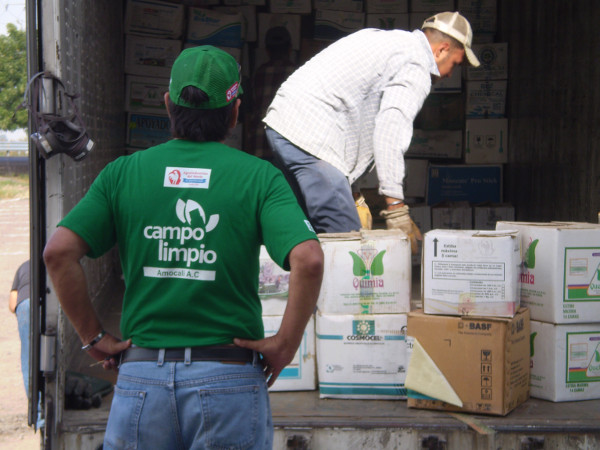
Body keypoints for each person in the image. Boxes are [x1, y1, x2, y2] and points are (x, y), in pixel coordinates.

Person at [43, 45, 324, 449]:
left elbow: (58, 253)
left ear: (168, 105)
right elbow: (309, 259)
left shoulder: (123, 174)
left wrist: (92, 337)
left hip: (141, 379)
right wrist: (285, 343)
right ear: (235, 112)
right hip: (229, 379)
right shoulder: (259, 178)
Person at [263, 11, 481, 250]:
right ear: (442, 49)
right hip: (311, 138)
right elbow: (390, 130)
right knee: (346, 244)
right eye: (455, 64)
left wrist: (353, 192)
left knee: (300, 237)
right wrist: (396, 207)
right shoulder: (416, 64)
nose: (450, 74)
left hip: (284, 125)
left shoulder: (388, 42)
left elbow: (354, 114)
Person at [250, 26, 297, 161]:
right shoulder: (298, 73)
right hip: (287, 144)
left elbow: (253, 107)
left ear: (267, 51)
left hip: (260, 142)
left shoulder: (260, 72)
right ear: (290, 49)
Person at [9, 259, 44, 429]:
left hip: (25, 305)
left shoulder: (22, 266)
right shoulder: (58, 257)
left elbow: (12, 303)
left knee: (29, 360)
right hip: (47, 301)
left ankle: (37, 414)